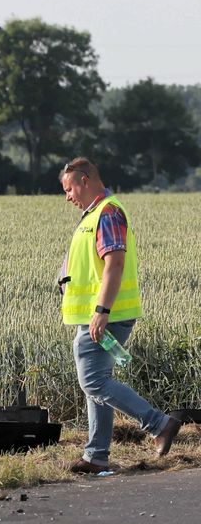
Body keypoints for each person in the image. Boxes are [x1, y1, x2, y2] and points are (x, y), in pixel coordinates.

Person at [57, 157, 183, 473]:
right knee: (97, 382)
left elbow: (114, 262)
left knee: (94, 381)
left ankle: (158, 424)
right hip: (99, 313)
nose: (68, 196)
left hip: (106, 314)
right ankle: (96, 456)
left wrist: (101, 310)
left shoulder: (108, 211)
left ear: (85, 180)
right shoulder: (94, 213)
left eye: (69, 188)